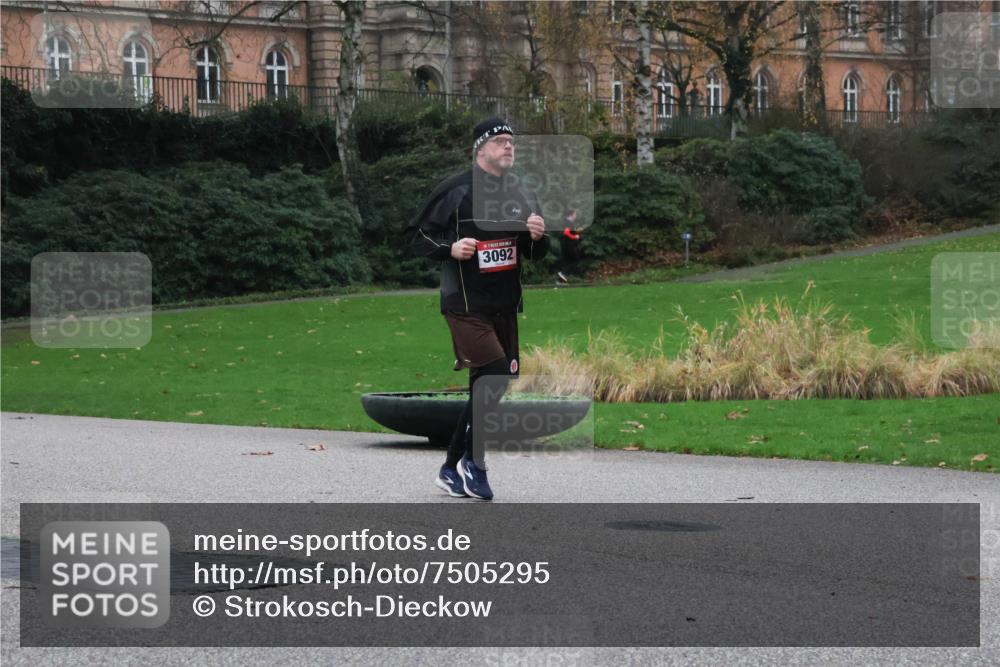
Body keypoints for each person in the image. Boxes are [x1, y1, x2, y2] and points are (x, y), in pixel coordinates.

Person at [406, 117, 550, 500]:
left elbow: (535, 253)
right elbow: (416, 236)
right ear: (480, 149)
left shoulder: (521, 191)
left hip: (503, 304)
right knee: (496, 377)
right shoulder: (455, 190)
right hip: (464, 303)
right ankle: (474, 461)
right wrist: (449, 249)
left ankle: (450, 468)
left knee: (485, 388)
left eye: (512, 142)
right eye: (501, 141)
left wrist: (537, 235)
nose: (508, 147)